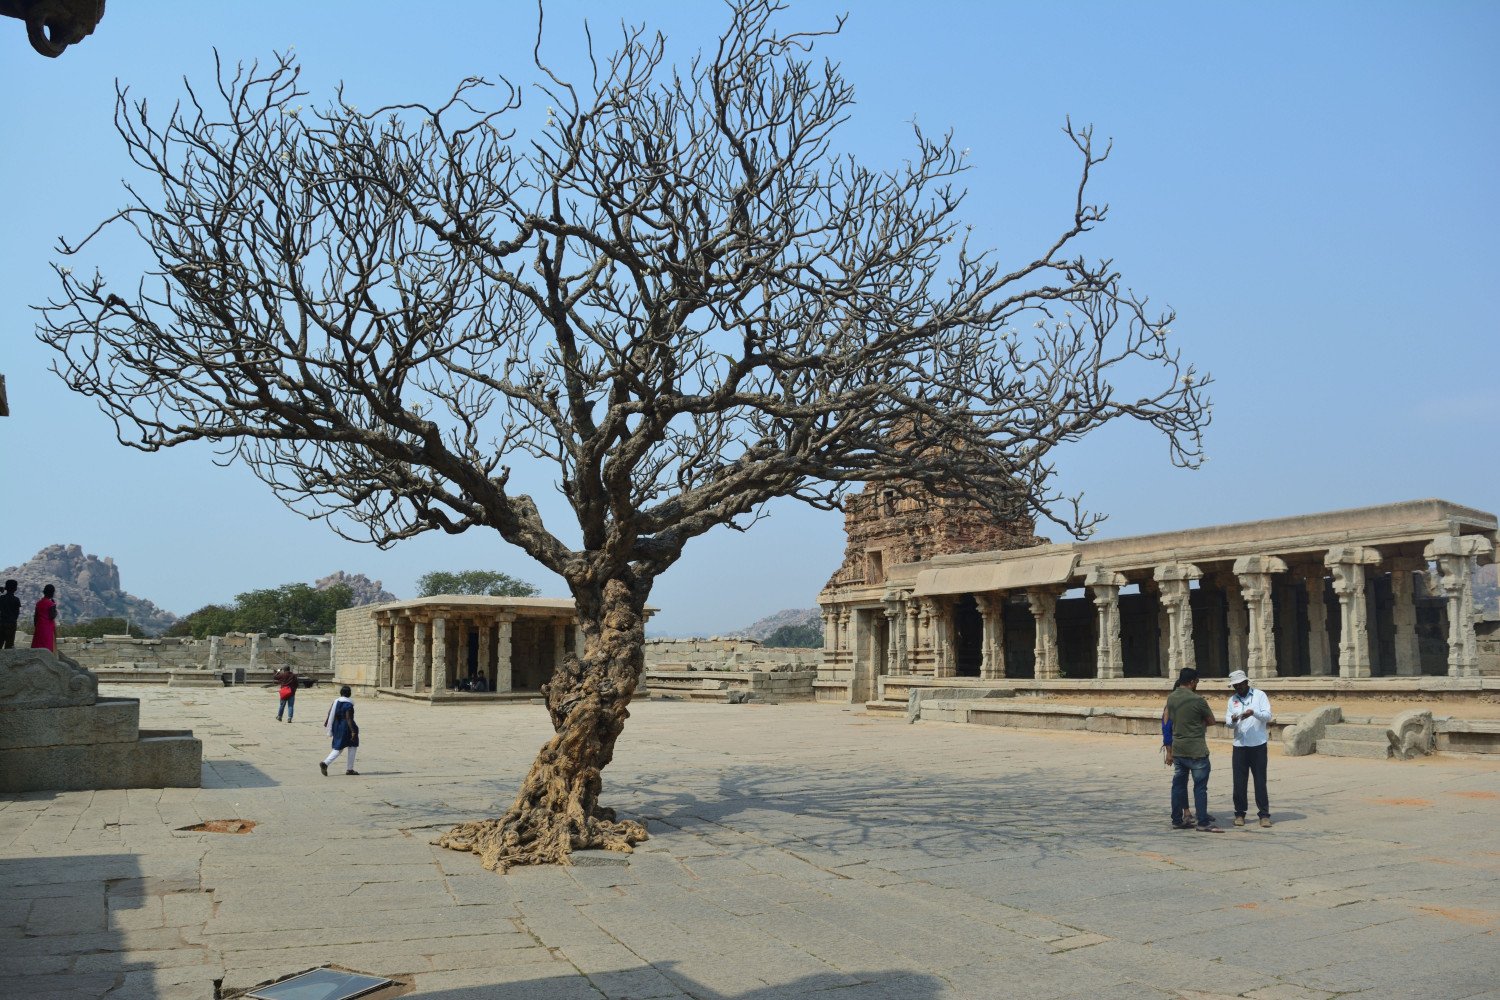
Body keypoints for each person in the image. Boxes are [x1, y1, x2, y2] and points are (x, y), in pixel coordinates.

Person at [1165, 667, 1222, 832]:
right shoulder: (1198, 700)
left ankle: (1177, 819)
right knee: (1200, 787)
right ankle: (1202, 822)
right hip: (1196, 750)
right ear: (1192, 682)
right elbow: (1211, 721)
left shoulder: (1171, 698)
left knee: (1178, 786)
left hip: (1179, 749)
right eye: (1196, 681)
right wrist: (1199, 723)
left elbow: (1168, 720)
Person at [1226, 669, 1274, 828]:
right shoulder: (1232, 700)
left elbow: (1267, 716)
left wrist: (1253, 713)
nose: (1238, 688)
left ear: (1246, 683)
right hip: (1239, 745)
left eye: (1240, 685)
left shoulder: (1260, 695)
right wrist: (1233, 720)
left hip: (1258, 744)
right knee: (1239, 782)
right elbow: (1228, 722)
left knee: (1260, 780)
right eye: (1235, 686)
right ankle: (1239, 813)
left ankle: (1264, 814)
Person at [1160, 674, 1194, 827]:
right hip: (1178, 748)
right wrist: (1169, 751)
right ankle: (1183, 813)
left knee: (1186, 781)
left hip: (1190, 747)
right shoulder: (1170, 707)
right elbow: (1167, 729)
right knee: (1181, 782)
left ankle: (1187, 812)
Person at [320, 685, 360, 776]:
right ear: (349, 694)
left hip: (337, 726)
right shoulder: (348, 704)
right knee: (351, 746)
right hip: (346, 727)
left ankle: (327, 763)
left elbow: (330, 713)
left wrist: (327, 722)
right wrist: (353, 731)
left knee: (339, 746)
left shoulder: (336, 702)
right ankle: (327, 763)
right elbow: (349, 718)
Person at [30, 584, 58, 652]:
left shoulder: (39, 603)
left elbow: (35, 616)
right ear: (52, 593)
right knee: (47, 645)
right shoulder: (51, 604)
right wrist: (55, 610)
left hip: (39, 626)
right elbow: (52, 616)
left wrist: (36, 626)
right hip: (48, 627)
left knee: (38, 644)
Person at [0, 580, 20, 649]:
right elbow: (17, 613)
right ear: (15, 589)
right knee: (9, 646)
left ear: (6, 587)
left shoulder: (1, 598)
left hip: (1, 623)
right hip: (11, 624)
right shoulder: (16, 600)